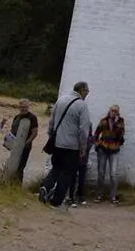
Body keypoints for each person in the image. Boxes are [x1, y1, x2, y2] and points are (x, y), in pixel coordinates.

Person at [39, 81, 90, 209]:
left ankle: (45, 186)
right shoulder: (82, 105)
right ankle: (56, 201)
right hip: (72, 146)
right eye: (87, 91)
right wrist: (83, 147)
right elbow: (84, 129)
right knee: (67, 173)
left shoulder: (61, 100)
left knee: (56, 168)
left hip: (57, 143)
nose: (87, 93)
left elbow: (52, 120)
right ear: (82, 90)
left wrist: (51, 136)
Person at [94, 105, 125, 203]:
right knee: (101, 173)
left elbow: (121, 135)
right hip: (103, 148)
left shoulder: (120, 122)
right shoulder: (104, 120)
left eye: (116, 111)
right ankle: (99, 195)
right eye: (112, 110)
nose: (113, 112)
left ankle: (113, 196)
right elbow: (96, 133)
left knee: (113, 174)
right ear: (109, 111)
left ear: (118, 112)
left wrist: (116, 123)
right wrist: (97, 143)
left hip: (114, 149)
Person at [10, 99, 39, 183]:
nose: (23, 109)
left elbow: (35, 132)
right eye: (22, 107)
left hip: (25, 146)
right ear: (19, 107)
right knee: (13, 163)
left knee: (21, 166)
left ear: (28, 107)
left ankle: (17, 184)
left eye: (25, 107)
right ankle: (10, 182)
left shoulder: (32, 118)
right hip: (15, 145)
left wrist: (27, 143)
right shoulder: (17, 117)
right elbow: (12, 130)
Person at [68, 122, 93, 206]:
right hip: (74, 158)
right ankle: (71, 197)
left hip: (83, 159)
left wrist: (85, 147)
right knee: (73, 177)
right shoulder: (75, 125)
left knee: (82, 178)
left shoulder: (88, 124)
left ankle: (80, 195)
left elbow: (89, 139)